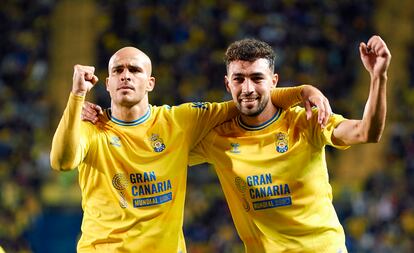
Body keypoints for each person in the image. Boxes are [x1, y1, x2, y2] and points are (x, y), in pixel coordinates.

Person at [50, 46, 331, 252]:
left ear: (150, 83)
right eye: (118, 71)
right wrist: (76, 97)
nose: (126, 76)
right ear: (108, 83)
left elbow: (249, 101)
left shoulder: (180, 121)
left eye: (134, 70)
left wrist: (302, 91)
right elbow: (62, 161)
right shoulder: (90, 125)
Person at [189, 36, 391, 252]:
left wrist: (378, 76)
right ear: (228, 84)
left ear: (274, 81)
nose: (248, 88)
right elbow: (163, 152)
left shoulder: (307, 121)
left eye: (257, 78)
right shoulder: (217, 138)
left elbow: (366, 132)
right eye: (239, 79)